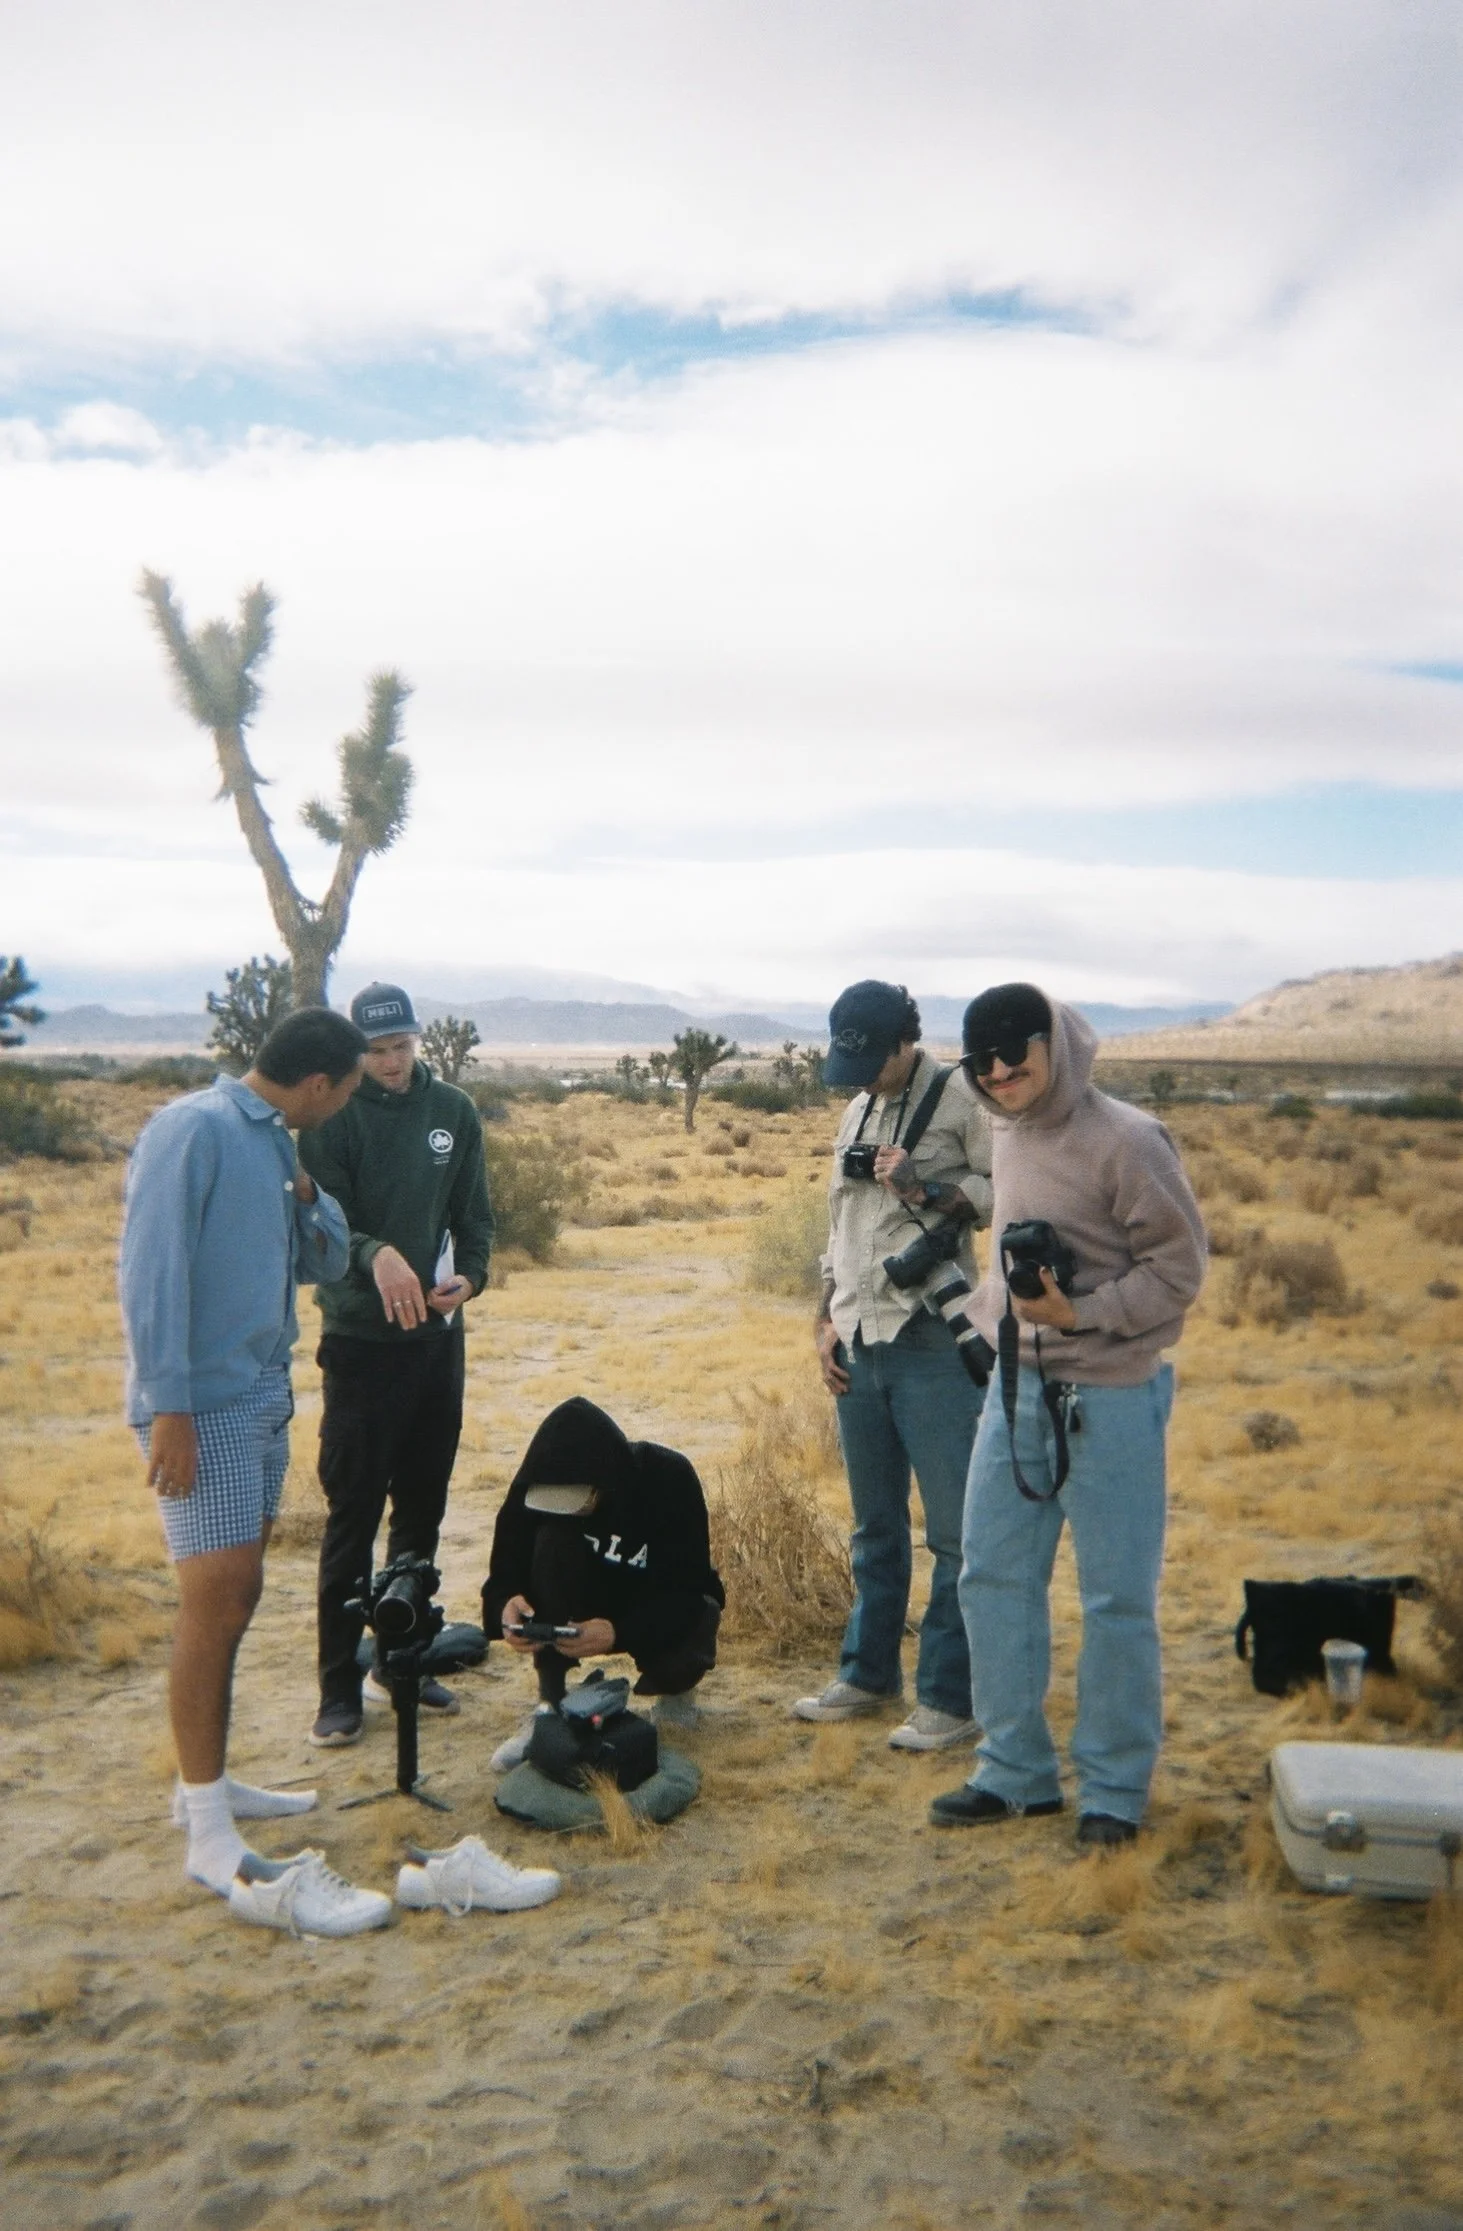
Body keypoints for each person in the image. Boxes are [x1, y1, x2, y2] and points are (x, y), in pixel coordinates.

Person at [120, 1006, 393, 1933]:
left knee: (237, 1595)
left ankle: (209, 1782)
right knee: (219, 1598)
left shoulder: (276, 1141)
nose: (346, 1103)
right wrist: (169, 1407)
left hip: (261, 1395)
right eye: (346, 1089)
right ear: (318, 1082)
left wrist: (309, 1195)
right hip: (201, 1407)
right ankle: (206, 1830)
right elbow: (150, 1274)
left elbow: (324, 1260)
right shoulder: (191, 1129)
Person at [931, 983, 1206, 1847]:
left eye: (1014, 1053)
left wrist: (1079, 1314)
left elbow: (1179, 1271)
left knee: (1116, 1599)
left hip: (1112, 1394)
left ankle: (1113, 1791)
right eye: (981, 1061)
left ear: (1051, 1042)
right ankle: (1012, 1771)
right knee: (989, 1576)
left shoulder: (1128, 1139)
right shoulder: (1004, 1129)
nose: (999, 1072)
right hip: (1017, 1390)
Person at [795, 980, 993, 1749]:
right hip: (856, 1337)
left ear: (905, 1041)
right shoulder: (856, 1106)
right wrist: (824, 1320)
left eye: (874, 1061)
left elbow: (1008, 1189)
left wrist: (924, 1185)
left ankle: (949, 1698)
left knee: (953, 1533)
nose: (864, 1077)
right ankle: (868, 1675)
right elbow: (839, 1226)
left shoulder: (961, 1099)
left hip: (930, 1338)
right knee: (874, 1527)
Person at [298, 982, 494, 1747]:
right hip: (360, 1346)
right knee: (352, 1514)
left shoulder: (454, 1112)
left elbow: (474, 1219)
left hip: (436, 1346)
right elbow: (322, 1226)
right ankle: (337, 1686)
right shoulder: (334, 1116)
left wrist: (469, 1278)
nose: (390, 1062)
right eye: (376, 1050)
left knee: (421, 1507)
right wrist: (374, 1253)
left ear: (419, 1041)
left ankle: (401, 1660)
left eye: (401, 1047)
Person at [481, 1397, 724, 1768]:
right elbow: (504, 1573)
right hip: (580, 1595)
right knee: (549, 1545)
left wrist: (618, 1633)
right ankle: (551, 1706)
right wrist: (505, 1606)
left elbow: (687, 1592)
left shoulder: (669, 1479)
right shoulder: (535, 1485)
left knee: (702, 1609)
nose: (567, 1510)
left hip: (651, 1598)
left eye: (577, 1501)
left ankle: (677, 1695)